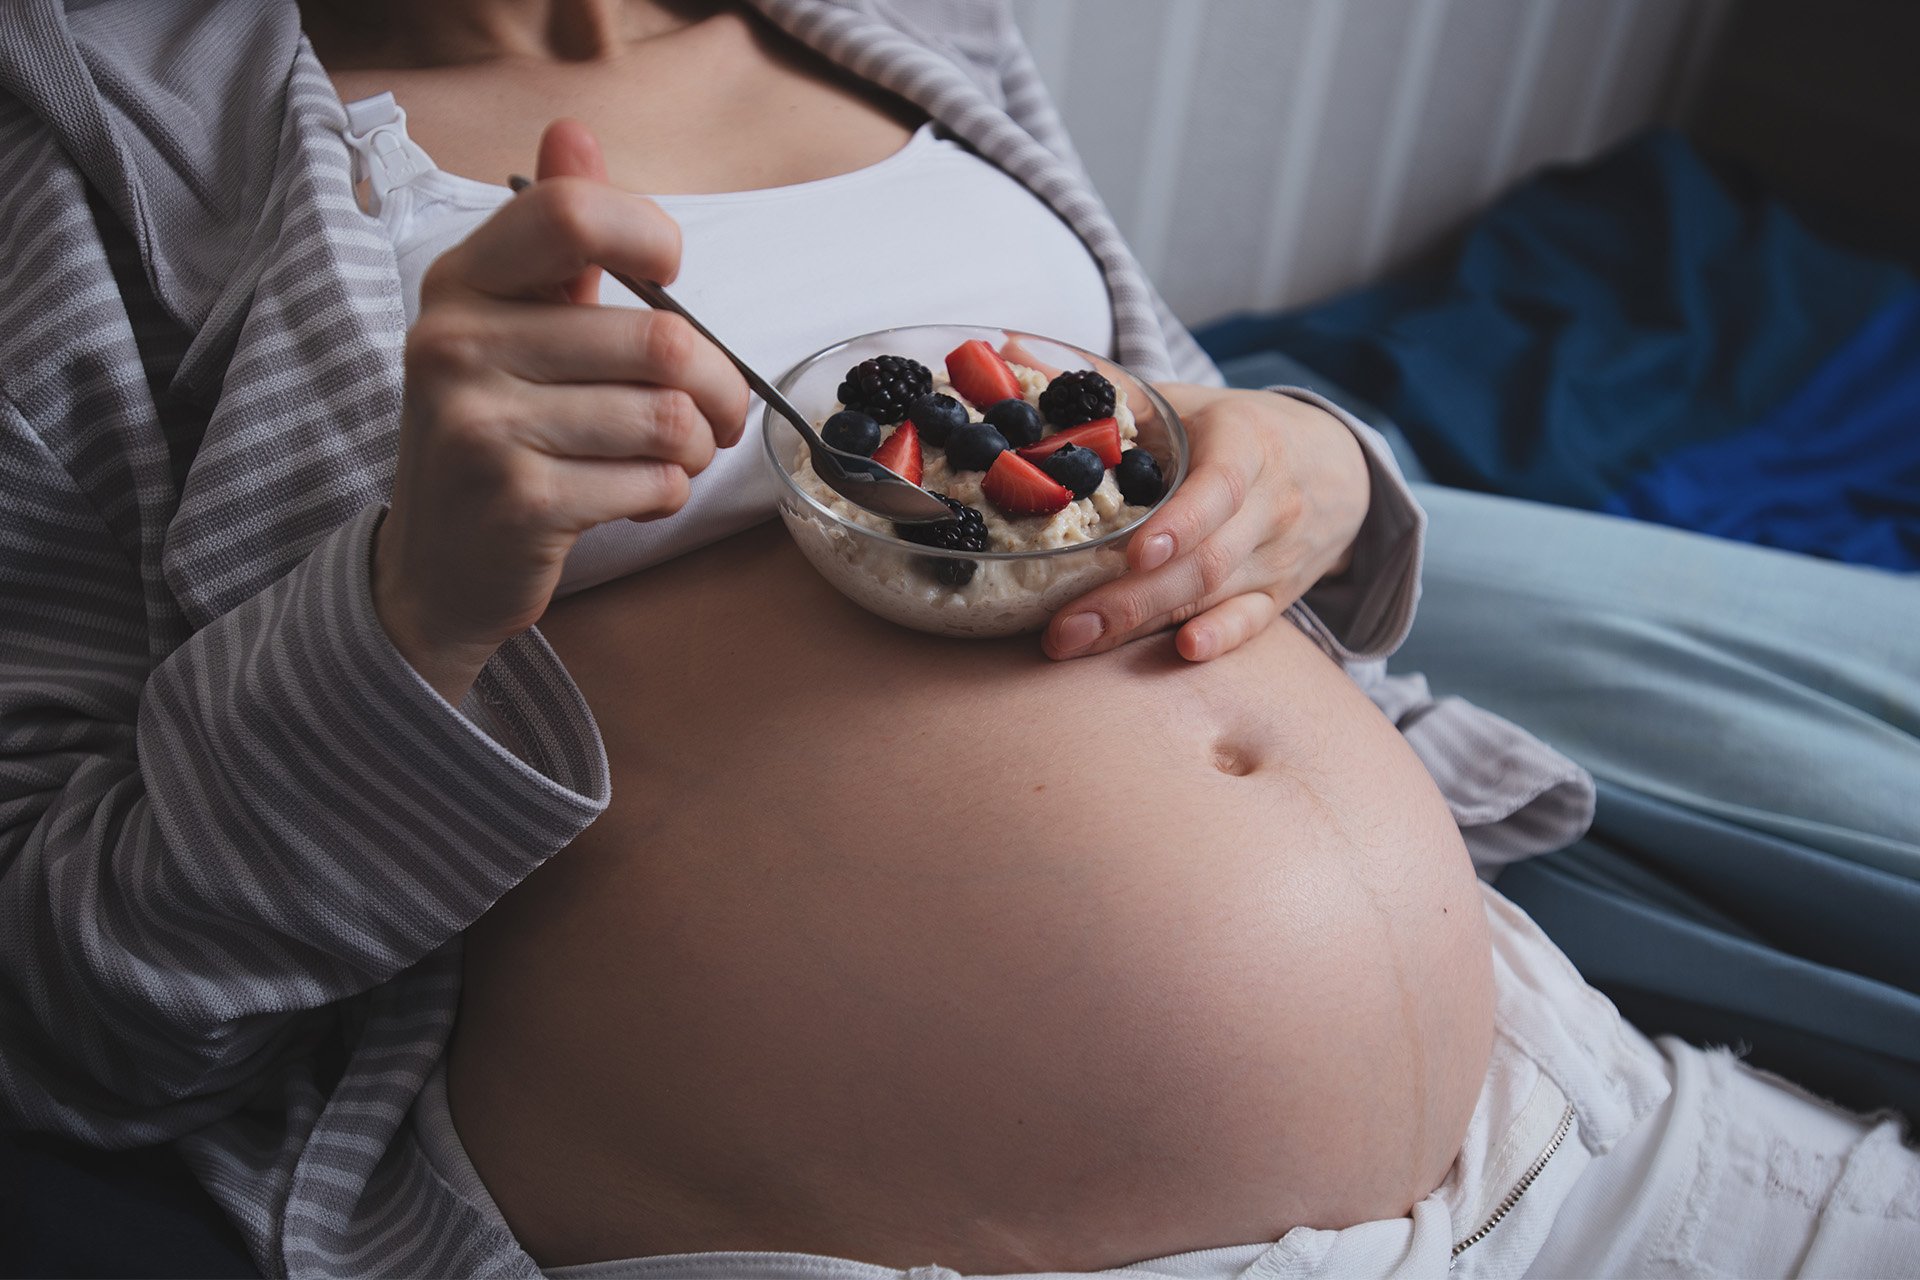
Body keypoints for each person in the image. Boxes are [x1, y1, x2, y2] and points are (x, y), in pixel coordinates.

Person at [0, 2, 1913, 1278]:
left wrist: (1317, 469)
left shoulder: (920, 22)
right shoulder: (88, 149)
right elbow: (79, 1013)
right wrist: (407, 607)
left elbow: (1184, 441)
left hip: (1554, 1117)